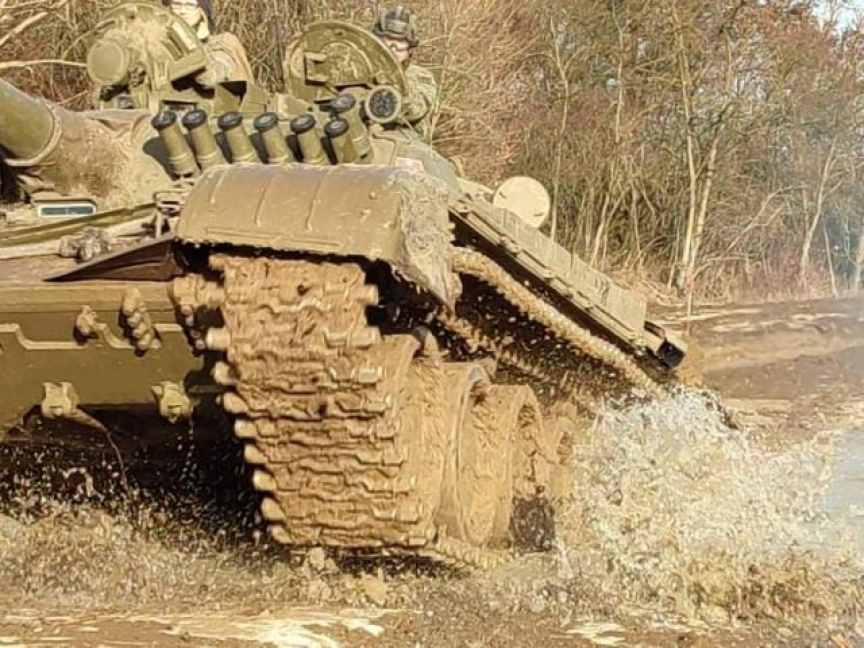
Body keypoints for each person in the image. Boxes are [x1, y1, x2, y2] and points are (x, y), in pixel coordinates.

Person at [371, 6, 438, 140]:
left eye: (400, 42)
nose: (393, 48)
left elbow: (416, 108)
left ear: (409, 49)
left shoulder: (421, 77)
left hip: (402, 141)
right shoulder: (357, 70)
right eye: (387, 39)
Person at [163, 0, 254, 87]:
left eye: (190, 5)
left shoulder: (222, 42)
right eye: (177, 4)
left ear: (201, 11)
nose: (182, 11)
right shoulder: (160, 44)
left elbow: (214, 73)